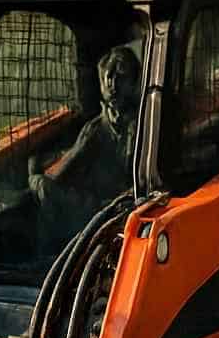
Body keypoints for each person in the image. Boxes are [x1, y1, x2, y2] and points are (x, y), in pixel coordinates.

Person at [25, 44, 141, 252]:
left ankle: (46, 255)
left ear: (133, 83)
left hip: (108, 211)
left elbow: (60, 174)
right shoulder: (126, 122)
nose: (112, 84)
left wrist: (35, 175)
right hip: (111, 208)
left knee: (41, 184)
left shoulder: (101, 128)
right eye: (108, 77)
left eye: (120, 78)